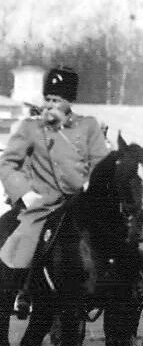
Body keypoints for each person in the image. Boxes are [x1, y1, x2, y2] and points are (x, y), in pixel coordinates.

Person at [1, 67, 109, 318]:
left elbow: (101, 164)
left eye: (55, 100)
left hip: (80, 201)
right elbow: (8, 163)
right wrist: (24, 192)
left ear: (68, 102)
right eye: (47, 99)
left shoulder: (88, 126)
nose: (49, 105)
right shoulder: (30, 128)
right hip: (42, 203)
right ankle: (22, 289)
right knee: (23, 243)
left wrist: (91, 184)